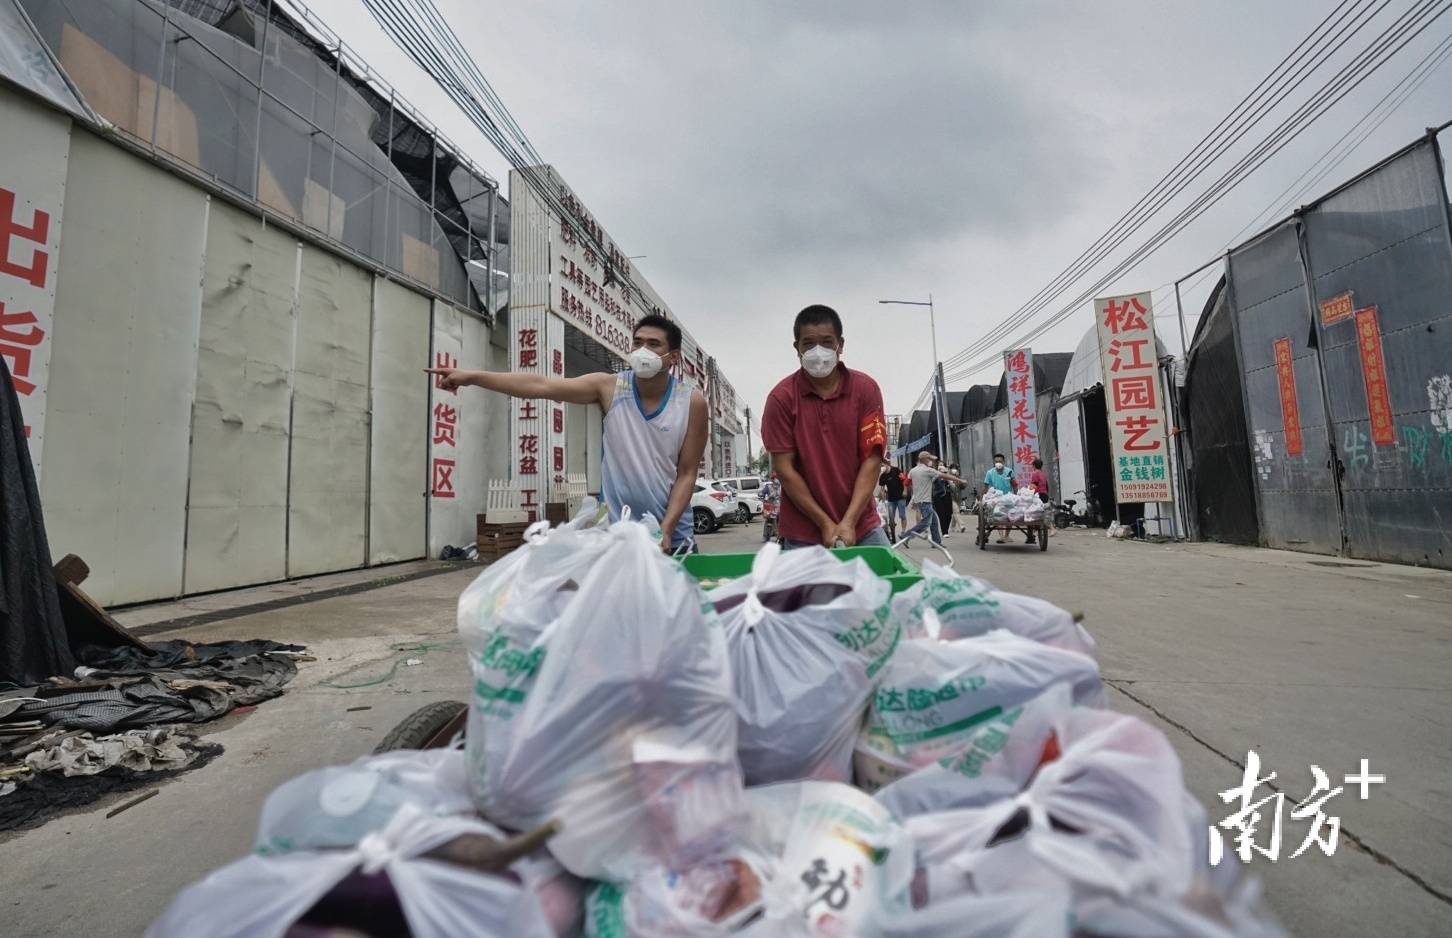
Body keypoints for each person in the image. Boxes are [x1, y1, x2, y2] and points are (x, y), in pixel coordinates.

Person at [425, 313, 707, 553]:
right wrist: (472, 377)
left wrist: (665, 530)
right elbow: (540, 386)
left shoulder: (690, 402)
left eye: (653, 344)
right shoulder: (609, 388)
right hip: (617, 532)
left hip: (672, 535)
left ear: (672, 357)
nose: (642, 350)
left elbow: (686, 473)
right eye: (637, 342)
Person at [761, 304, 889, 549]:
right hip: (802, 534)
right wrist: (825, 524)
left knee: (892, 584)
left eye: (827, 342)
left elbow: (872, 460)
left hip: (863, 528)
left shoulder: (865, 389)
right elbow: (785, 470)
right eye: (808, 343)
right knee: (804, 590)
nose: (818, 351)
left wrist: (849, 522)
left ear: (840, 344)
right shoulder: (781, 399)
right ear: (797, 348)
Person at [897, 451, 968, 548]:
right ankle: (906, 536)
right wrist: (960, 480)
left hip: (919, 500)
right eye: (929, 459)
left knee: (934, 521)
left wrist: (906, 490)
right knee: (925, 523)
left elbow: (906, 482)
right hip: (924, 501)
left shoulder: (913, 470)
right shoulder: (927, 470)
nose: (930, 461)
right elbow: (945, 476)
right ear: (925, 460)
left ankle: (936, 542)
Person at [981, 453, 1017, 544]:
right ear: (994, 462)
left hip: (1008, 497)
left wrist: (1016, 496)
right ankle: (1001, 537)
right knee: (998, 515)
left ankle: (1007, 535)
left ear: (1003, 462)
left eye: (1000, 461)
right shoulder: (990, 473)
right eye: (996, 461)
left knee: (1011, 515)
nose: (998, 463)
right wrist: (980, 499)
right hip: (995, 498)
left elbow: (1014, 485)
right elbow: (985, 486)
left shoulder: (1009, 471)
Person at [877, 462, 907, 542]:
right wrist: (883, 501)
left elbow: (904, 480)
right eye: (880, 466)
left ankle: (903, 532)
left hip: (901, 497)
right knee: (891, 517)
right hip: (891, 499)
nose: (881, 467)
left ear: (887, 465)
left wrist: (905, 490)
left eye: (882, 465)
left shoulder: (896, 470)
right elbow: (882, 490)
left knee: (902, 515)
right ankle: (892, 531)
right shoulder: (882, 476)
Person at [1028, 457, 1053, 541]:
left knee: (1036, 513)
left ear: (1034, 466)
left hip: (1039, 495)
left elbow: (1034, 486)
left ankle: (1052, 528)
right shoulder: (1043, 474)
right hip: (1045, 494)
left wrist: (1029, 493)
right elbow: (1046, 486)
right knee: (1042, 512)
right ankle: (1036, 530)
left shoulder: (1035, 474)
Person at [931, 459, 956, 538]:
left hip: (947, 494)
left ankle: (946, 528)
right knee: (941, 514)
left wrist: (947, 478)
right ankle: (944, 532)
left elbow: (953, 486)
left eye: (942, 465)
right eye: (939, 465)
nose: (941, 467)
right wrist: (938, 474)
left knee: (949, 513)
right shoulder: (934, 474)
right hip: (938, 495)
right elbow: (932, 481)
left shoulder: (948, 475)